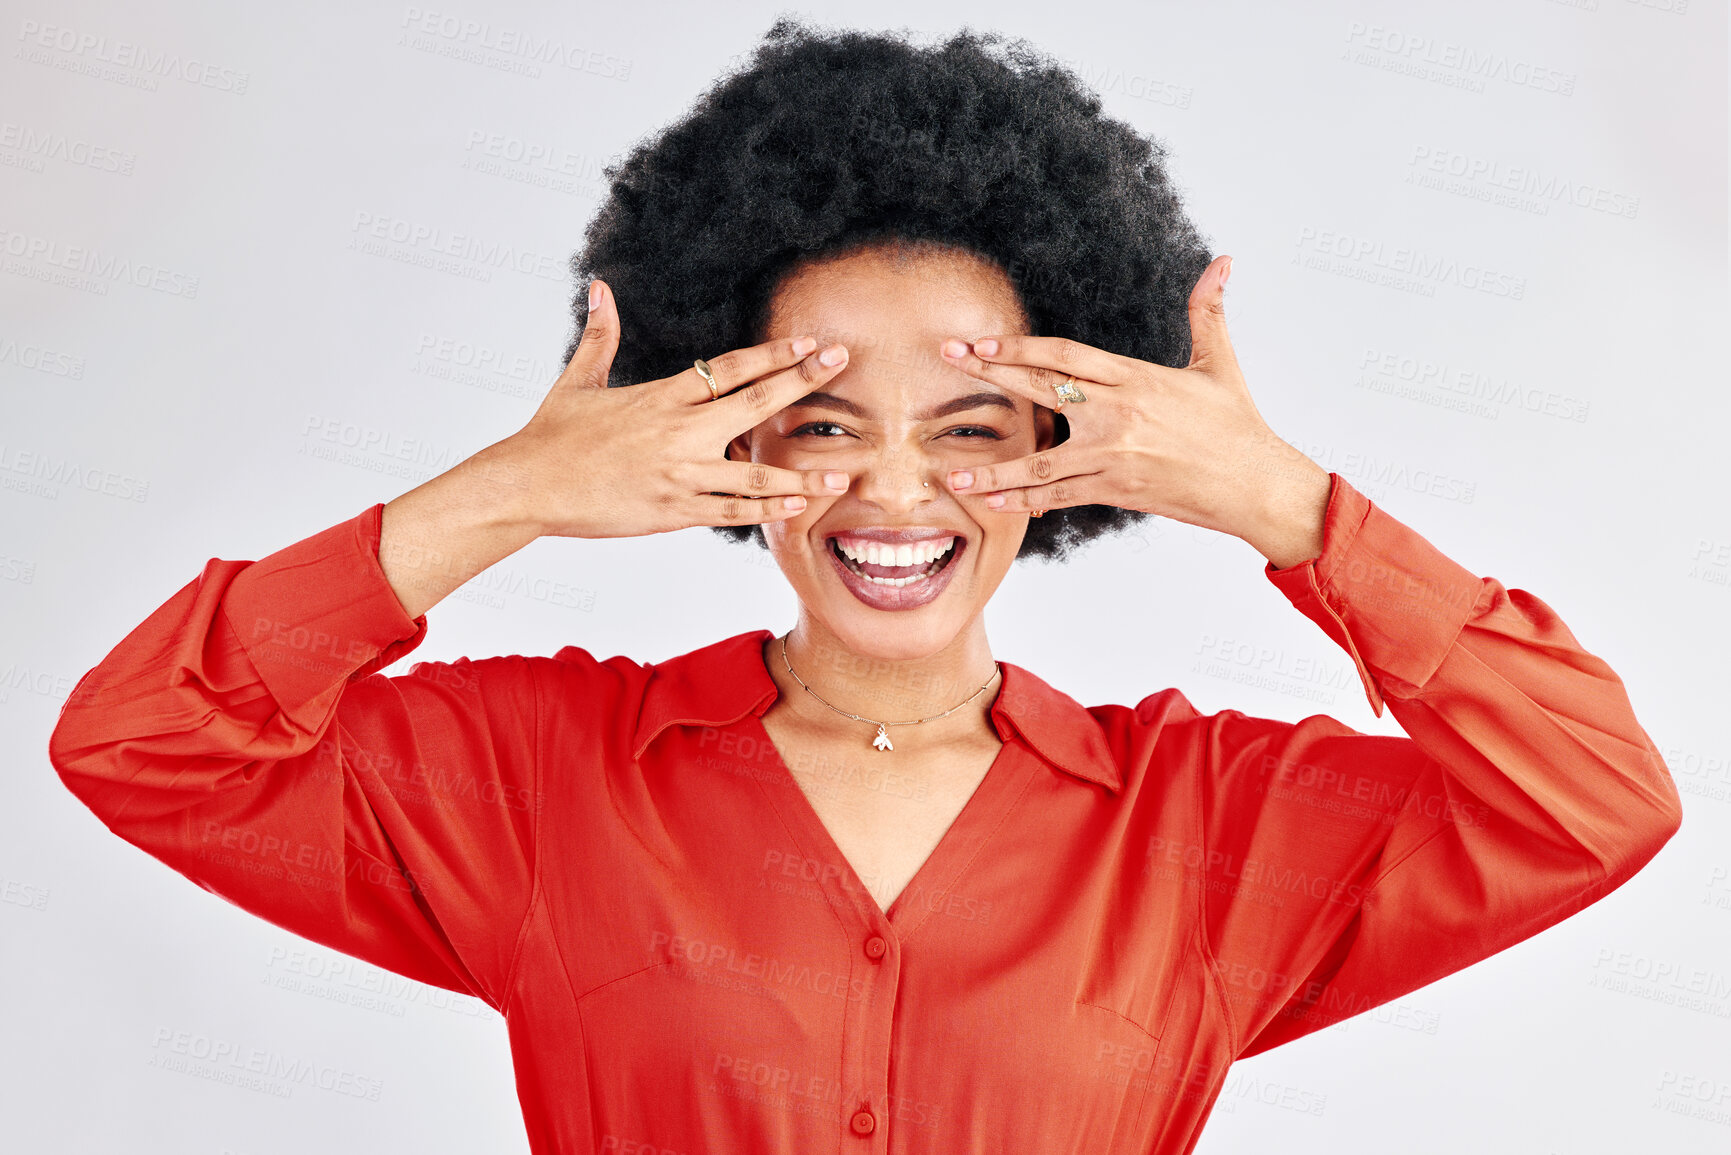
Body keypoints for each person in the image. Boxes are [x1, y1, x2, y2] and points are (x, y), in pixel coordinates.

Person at [48, 19, 1681, 1154]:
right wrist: (509, 495)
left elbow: (1595, 800)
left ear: (1067, 440)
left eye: (969, 429)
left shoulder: (1207, 830)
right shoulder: (539, 784)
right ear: (720, 423)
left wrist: (1289, 507)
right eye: (821, 425)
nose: (893, 492)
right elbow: (141, 740)